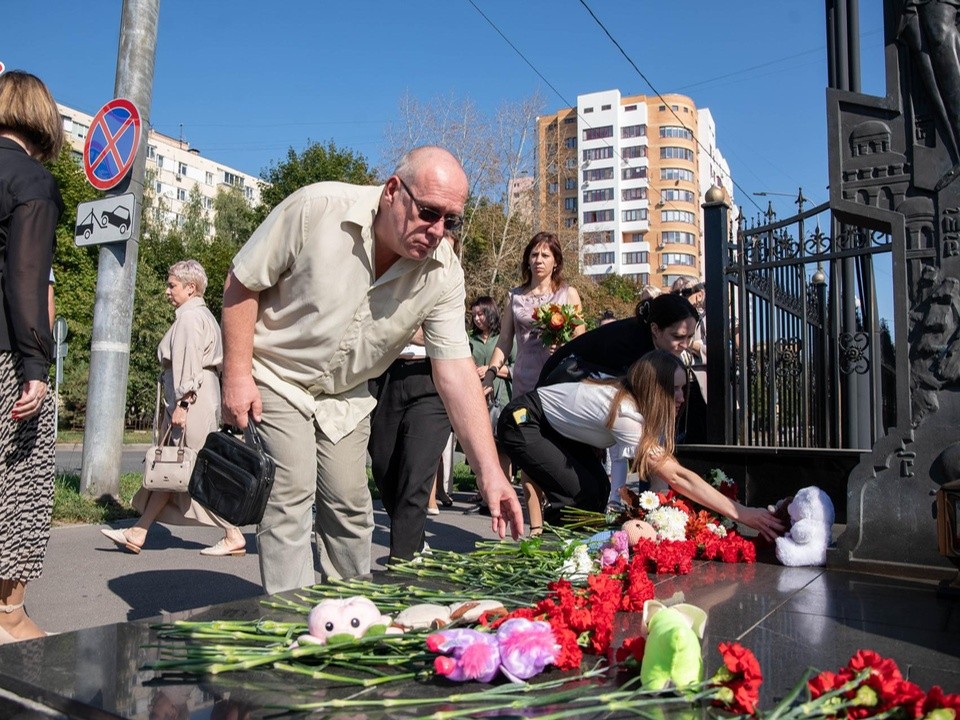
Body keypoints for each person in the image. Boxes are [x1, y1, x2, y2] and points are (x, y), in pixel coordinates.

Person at [220, 146, 523, 594]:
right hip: (277, 376)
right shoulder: (316, 208)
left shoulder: (443, 273)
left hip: (345, 396)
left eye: (451, 220)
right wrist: (237, 375)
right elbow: (242, 282)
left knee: (350, 506)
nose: (437, 230)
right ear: (392, 192)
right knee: (290, 496)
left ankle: (351, 618)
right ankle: (294, 628)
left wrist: (489, 472)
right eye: (428, 212)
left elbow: (456, 372)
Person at [498, 350, 785, 542]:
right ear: (653, 389)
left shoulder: (642, 413)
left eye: (683, 389)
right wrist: (741, 512)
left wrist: (664, 519)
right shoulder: (628, 413)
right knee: (581, 495)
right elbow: (678, 476)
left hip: (553, 429)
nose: (682, 398)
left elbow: (662, 480)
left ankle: (564, 548)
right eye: (673, 389)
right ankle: (555, 557)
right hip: (523, 421)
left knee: (595, 494)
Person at [101, 261, 245, 556]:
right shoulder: (199, 316)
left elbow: (188, 364)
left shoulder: (190, 319)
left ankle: (233, 533)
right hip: (198, 396)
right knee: (171, 466)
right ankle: (139, 531)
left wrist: (182, 404)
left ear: (190, 288)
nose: (167, 291)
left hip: (192, 400)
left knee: (192, 468)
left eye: (172, 285)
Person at [0, 70, 64, 643]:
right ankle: (9, 618)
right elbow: (25, 279)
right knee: (19, 482)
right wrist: (36, 369)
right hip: (6, 357)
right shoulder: (32, 181)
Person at [536, 293, 708, 502]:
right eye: (678, 337)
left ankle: (623, 502)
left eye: (689, 337)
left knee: (597, 486)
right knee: (590, 488)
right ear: (655, 329)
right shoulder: (634, 349)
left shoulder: (654, 346)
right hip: (560, 389)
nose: (685, 344)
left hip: (590, 388)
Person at [480, 233, 584, 530]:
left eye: (545, 255)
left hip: (559, 384)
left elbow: (582, 338)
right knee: (527, 452)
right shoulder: (515, 296)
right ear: (527, 259)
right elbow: (504, 341)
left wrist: (563, 346)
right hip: (525, 384)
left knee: (561, 452)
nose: (538, 260)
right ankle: (536, 529)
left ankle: (566, 518)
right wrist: (490, 374)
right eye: (534, 255)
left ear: (556, 262)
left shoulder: (568, 294)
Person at [368, 328, 452, 562]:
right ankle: (416, 542)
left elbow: (444, 330)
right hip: (383, 375)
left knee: (414, 477)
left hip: (431, 375)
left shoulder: (440, 290)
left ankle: (401, 566)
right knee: (383, 470)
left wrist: (398, 330)